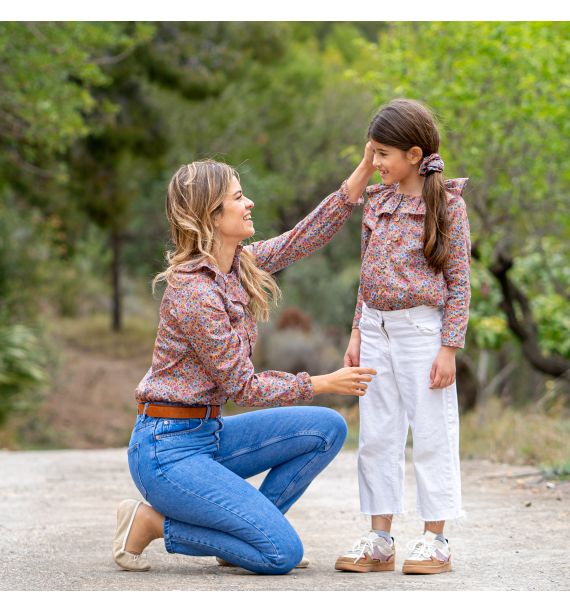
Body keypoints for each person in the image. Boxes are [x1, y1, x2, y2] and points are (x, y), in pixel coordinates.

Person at [112, 154, 378, 575]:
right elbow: (243, 387)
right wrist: (325, 382)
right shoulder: (194, 293)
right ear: (213, 216)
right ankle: (152, 523)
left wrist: (363, 171)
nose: (249, 203)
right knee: (281, 555)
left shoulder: (238, 265)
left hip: (209, 436)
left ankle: (241, 538)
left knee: (327, 429)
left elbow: (300, 239)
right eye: (239, 197)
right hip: (167, 451)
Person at [334, 99, 471, 575]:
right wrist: (356, 330)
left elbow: (459, 282)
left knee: (431, 432)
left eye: (382, 154)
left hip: (421, 333)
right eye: (371, 153)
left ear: (414, 154)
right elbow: (366, 273)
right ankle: (380, 537)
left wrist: (449, 347)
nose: (374, 164)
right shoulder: (377, 200)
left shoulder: (447, 204)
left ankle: (436, 539)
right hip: (374, 328)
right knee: (376, 433)